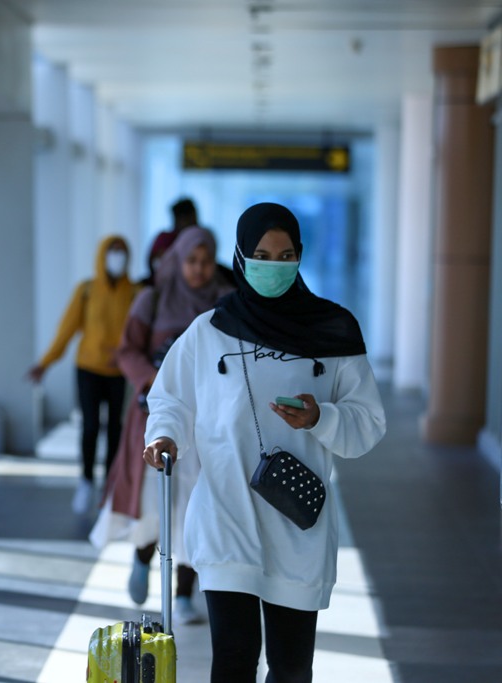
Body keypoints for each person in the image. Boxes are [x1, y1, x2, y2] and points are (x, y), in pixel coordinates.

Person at [142, 202, 386, 682]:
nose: (272, 265)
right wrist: (165, 436)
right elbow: (170, 396)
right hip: (224, 515)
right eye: (261, 253)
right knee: (232, 661)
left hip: (298, 524)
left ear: (300, 256)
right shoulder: (209, 331)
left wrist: (322, 417)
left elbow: (368, 423)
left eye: (285, 254)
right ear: (238, 255)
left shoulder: (333, 331)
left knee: (291, 668)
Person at [90, 227, 232, 624]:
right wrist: (155, 378)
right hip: (156, 414)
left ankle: (184, 593)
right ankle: (141, 559)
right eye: (191, 261)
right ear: (177, 261)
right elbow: (126, 350)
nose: (199, 269)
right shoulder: (152, 299)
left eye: (205, 261)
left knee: (195, 504)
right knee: (154, 497)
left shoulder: (225, 302)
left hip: (205, 420)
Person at [28, 235, 138, 514]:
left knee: (115, 428)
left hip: (119, 372)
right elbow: (66, 330)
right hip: (88, 369)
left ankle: (109, 486)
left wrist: (127, 354)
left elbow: (138, 335)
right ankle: (86, 481)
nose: (117, 258)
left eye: (122, 252)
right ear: (102, 255)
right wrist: (45, 362)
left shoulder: (135, 293)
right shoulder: (87, 290)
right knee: (90, 427)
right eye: (113, 252)